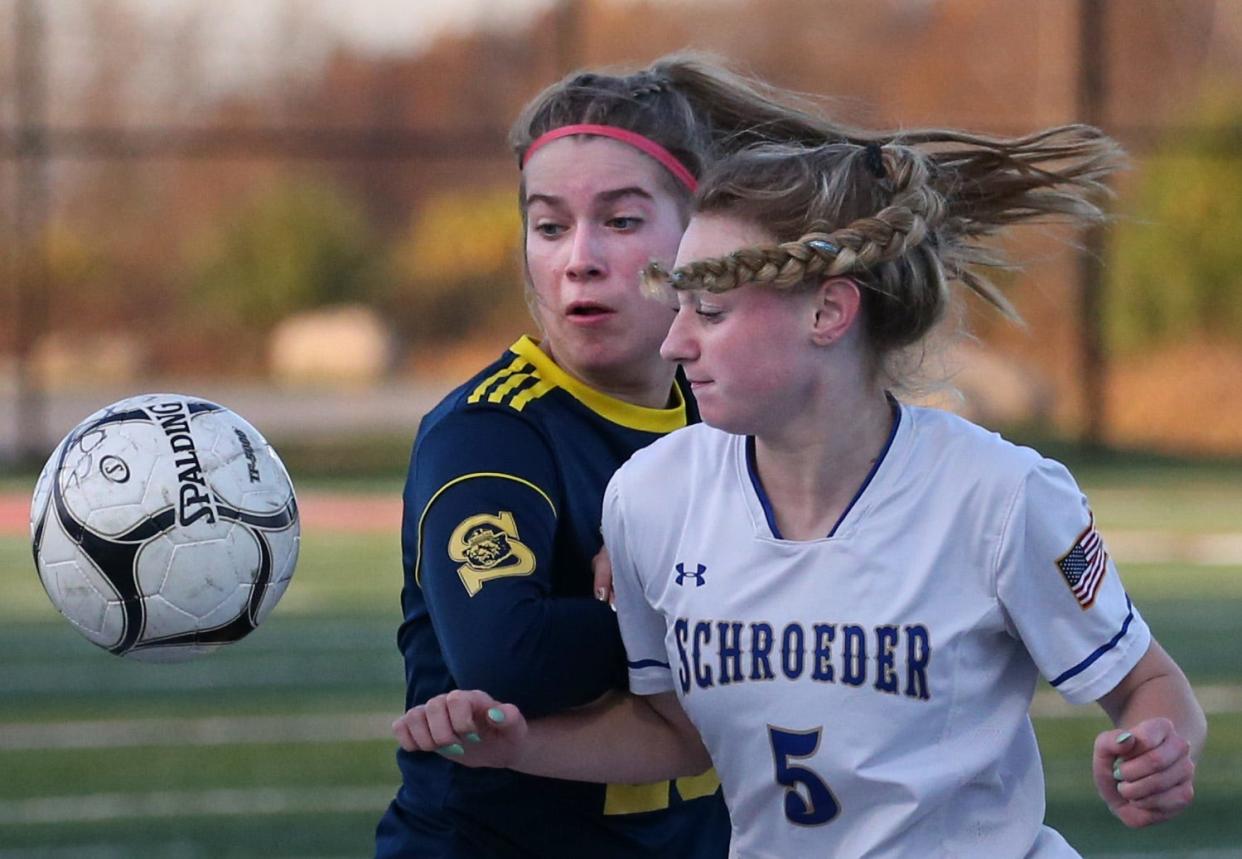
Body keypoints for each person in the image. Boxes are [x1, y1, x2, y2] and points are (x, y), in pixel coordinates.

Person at [391, 128, 1207, 858]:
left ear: (828, 312)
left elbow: (1146, 683)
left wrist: (1158, 745)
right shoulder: (651, 497)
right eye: (678, 308)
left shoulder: (1000, 495)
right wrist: (518, 746)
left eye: (709, 310)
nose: (675, 340)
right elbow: (675, 732)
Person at [377, 53, 888, 858]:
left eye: (620, 221)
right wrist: (689, 590)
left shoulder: (723, 416)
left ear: (700, 241)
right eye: (549, 226)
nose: (578, 256)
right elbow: (508, 654)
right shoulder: (492, 429)